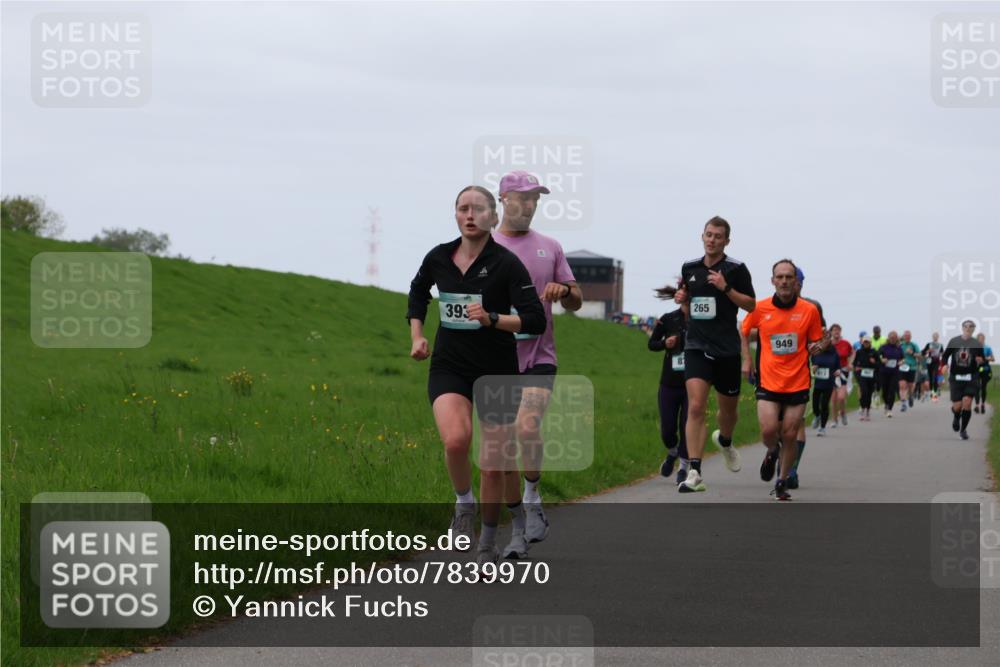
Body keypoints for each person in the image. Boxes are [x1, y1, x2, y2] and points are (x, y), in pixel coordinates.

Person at [407, 185, 546, 566]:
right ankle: (463, 504)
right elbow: (418, 292)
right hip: (449, 365)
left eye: (479, 209)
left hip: (497, 369)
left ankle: (487, 544)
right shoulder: (439, 257)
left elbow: (534, 319)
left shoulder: (506, 264)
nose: (470, 215)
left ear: (493, 217)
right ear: (455, 214)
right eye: (463, 208)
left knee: (493, 462)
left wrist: (493, 318)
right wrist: (417, 335)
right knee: (455, 441)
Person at [492, 171, 581, 559]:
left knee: (526, 426)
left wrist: (565, 292)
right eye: (522, 197)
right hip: (495, 359)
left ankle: (532, 495)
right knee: (502, 449)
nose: (529, 205)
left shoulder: (550, 246)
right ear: (503, 198)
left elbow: (576, 299)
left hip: (539, 358)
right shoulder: (483, 246)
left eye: (535, 199)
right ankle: (517, 527)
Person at [672, 216, 756, 493]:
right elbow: (689, 304)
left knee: (727, 412)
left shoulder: (736, 269)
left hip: (727, 349)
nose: (712, 240)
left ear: (726, 241)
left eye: (718, 236)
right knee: (696, 406)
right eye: (709, 234)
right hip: (696, 346)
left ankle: (726, 441)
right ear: (702, 236)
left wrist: (726, 288)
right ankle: (694, 470)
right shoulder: (689, 267)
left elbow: (751, 305)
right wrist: (683, 300)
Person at [740, 259, 824, 501]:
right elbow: (743, 331)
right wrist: (747, 360)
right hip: (768, 380)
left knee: (789, 433)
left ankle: (781, 481)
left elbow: (815, 340)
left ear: (796, 281)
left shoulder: (809, 310)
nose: (784, 281)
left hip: (798, 381)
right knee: (769, 430)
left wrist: (818, 346)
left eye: (789, 277)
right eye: (780, 277)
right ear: (772, 281)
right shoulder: (760, 308)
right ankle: (771, 450)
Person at [649, 294, 690, 485]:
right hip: (669, 382)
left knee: (687, 426)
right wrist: (664, 343)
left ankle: (683, 467)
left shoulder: (702, 320)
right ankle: (673, 451)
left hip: (693, 384)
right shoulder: (668, 319)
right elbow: (651, 344)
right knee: (667, 429)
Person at [942, 321, 986, 440]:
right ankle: (956, 416)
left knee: (967, 402)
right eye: (966, 326)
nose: (968, 328)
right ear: (962, 328)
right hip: (956, 377)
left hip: (971, 377)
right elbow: (945, 356)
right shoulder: (954, 341)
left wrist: (980, 360)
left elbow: (983, 359)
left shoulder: (977, 344)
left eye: (971, 326)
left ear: (973, 329)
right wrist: (945, 365)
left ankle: (963, 430)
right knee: (957, 406)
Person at [810, 343, 841, 436]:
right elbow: (812, 366)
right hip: (818, 383)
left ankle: (822, 428)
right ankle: (817, 416)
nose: (823, 343)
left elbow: (838, 367)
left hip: (829, 383)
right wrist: (813, 368)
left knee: (824, 405)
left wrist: (838, 371)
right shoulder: (816, 353)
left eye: (826, 340)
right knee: (815, 404)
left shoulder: (834, 353)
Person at [829, 324, 854, 427]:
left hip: (843, 372)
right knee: (833, 399)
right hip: (832, 372)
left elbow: (852, 353)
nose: (837, 332)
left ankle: (843, 413)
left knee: (841, 397)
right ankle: (834, 420)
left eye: (838, 330)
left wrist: (850, 363)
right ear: (831, 332)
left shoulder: (845, 343)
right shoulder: (828, 344)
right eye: (834, 330)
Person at [853, 336, 880, 421]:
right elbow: (855, 363)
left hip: (872, 376)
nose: (866, 344)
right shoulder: (859, 352)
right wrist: (856, 367)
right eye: (865, 342)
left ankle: (867, 411)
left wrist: (874, 362)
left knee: (869, 394)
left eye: (867, 342)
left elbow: (879, 365)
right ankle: (862, 408)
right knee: (863, 392)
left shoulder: (874, 352)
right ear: (862, 343)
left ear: (870, 343)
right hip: (862, 375)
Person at [878, 331, 904, 417]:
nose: (892, 339)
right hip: (884, 372)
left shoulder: (899, 348)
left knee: (892, 391)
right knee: (885, 391)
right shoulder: (883, 347)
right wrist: (882, 360)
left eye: (894, 338)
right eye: (891, 337)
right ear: (888, 338)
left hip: (894, 372)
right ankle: (886, 403)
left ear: (896, 339)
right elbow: (878, 356)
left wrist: (901, 362)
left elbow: (903, 358)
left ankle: (890, 409)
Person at [898, 330, 921, 410]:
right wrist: (899, 361)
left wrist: (912, 353)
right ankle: (903, 403)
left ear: (910, 337)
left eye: (908, 336)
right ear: (904, 337)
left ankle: (911, 395)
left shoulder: (914, 345)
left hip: (912, 367)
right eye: (906, 336)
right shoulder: (900, 345)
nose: (907, 337)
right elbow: (897, 356)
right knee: (902, 385)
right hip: (902, 367)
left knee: (910, 386)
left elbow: (919, 356)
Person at [975, 333, 995, 414]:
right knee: (977, 387)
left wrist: (985, 358)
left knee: (983, 387)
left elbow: (993, 358)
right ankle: (977, 406)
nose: (981, 340)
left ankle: (982, 405)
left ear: (984, 339)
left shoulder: (987, 348)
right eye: (979, 339)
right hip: (976, 369)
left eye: (982, 339)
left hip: (985, 369)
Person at [922, 333, 945, 401]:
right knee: (930, 377)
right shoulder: (929, 344)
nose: (935, 337)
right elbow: (922, 352)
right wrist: (928, 351)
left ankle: (934, 393)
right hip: (929, 362)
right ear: (932, 337)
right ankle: (931, 392)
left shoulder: (940, 345)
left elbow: (943, 354)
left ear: (938, 337)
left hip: (936, 362)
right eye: (934, 336)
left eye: (936, 336)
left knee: (935, 376)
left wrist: (941, 354)